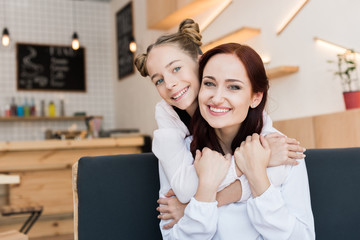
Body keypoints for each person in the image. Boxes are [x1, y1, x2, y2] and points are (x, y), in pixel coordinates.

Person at [134, 19, 305, 229]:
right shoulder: (168, 120)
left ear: (201, 62)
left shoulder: (260, 129)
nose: (169, 84)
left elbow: (276, 174)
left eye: (176, 68)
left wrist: (190, 207)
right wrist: (246, 163)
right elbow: (186, 190)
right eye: (158, 80)